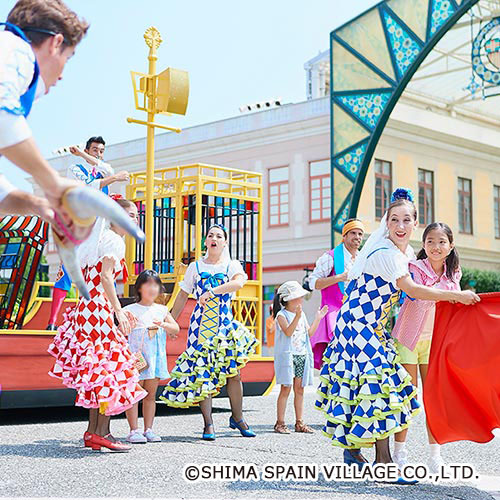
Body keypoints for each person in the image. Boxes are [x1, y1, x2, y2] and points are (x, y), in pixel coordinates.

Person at [315, 188, 479, 484]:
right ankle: (384, 463)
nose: (401, 226)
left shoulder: (397, 253)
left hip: (366, 327)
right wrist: (456, 297)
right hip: (358, 327)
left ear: (414, 223)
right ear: (386, 223)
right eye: (394, 220)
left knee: (364, 385)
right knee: (382, 388)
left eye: (406, 220)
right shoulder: (389, 254)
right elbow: (413, 291)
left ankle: (353, 452)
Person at [48, 198, 147, 452]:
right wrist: (118, 311)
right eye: (131, 215)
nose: (135, 219)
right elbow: (105, 277)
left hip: (86, 309)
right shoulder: (114, 240)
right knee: (109, 369)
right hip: (98, 310)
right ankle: (101, 432)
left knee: (98, 370)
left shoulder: (97, 240)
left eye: (136, 215)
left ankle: (95, 432)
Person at [160, 224, 259, 440]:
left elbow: (239, 283)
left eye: (219, 236)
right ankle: (208, 424)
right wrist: (169, 323)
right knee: (202, 373)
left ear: (225, 242)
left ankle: (238, 418)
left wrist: (212, 291)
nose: (214, 238)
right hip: (200, 326)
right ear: (205, 241)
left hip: (224, 326)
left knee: (234, 373)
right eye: (210, 235)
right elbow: (181, 297)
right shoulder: (194, 267)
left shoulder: (231, 265)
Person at [0, 0, 88, 223]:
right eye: (67, 58)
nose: (61, 76)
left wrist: (36, 204)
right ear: (56, 43)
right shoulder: (16, 49)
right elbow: (2, 114)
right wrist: (51, 181)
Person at [391, 222, 462, 473]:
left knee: (434, 399)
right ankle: (400, 453)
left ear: (450, 246)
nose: (436, 246)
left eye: (442, 242)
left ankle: (435, 456)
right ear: (423, 245)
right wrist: (453, 295)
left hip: (435, 343)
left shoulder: (454, 274)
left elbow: (455, 307)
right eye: (430, 241)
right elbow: (419, 295)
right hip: (409, 339)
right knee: (408, 398)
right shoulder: (414, 268)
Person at [46, 136, 130, 330]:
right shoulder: (75, 169)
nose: (98, 154)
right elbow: (90, 187)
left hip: (98, 230)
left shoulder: (102, 169)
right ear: (86, 150)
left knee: (95, 271)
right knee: (67, 270)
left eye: (101, 151)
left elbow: (107, 170)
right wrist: (114, 177)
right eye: (94, 150)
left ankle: (87, 316)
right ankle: (52, 322)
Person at [123, 270, 179, 444]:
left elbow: (175, 328)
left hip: (154, 358)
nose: (152, 288)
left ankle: (149, 429)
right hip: (136, 358)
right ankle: (134, 430)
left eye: (155, 285)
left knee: (150, 395)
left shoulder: (162, 309)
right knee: (134, 393)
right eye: (148, 284)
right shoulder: (129, 310)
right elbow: (120, 332)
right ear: (139, 287)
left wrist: (163, 324)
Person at [272, 281, 327, 434]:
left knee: (300, 389)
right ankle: (280, 423)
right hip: (288, 357)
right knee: (285, 388)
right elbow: (288, 332)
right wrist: (296, 316)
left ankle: (299, 423)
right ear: (287, 300)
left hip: (302, 355)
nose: (300, 300)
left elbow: (309, 334)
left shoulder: (301, 315)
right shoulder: (281, 315)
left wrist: (318, 318)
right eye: (297, 297)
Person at [308, 218, 364, 369]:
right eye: (353, 233)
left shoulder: (363, 259)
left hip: (356, 314)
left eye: (360, 233)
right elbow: (313, 283)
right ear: (344, 236)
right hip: (334, 313)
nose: (357, 237)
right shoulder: (330, 257)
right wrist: (339, 277)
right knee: (336, 358)